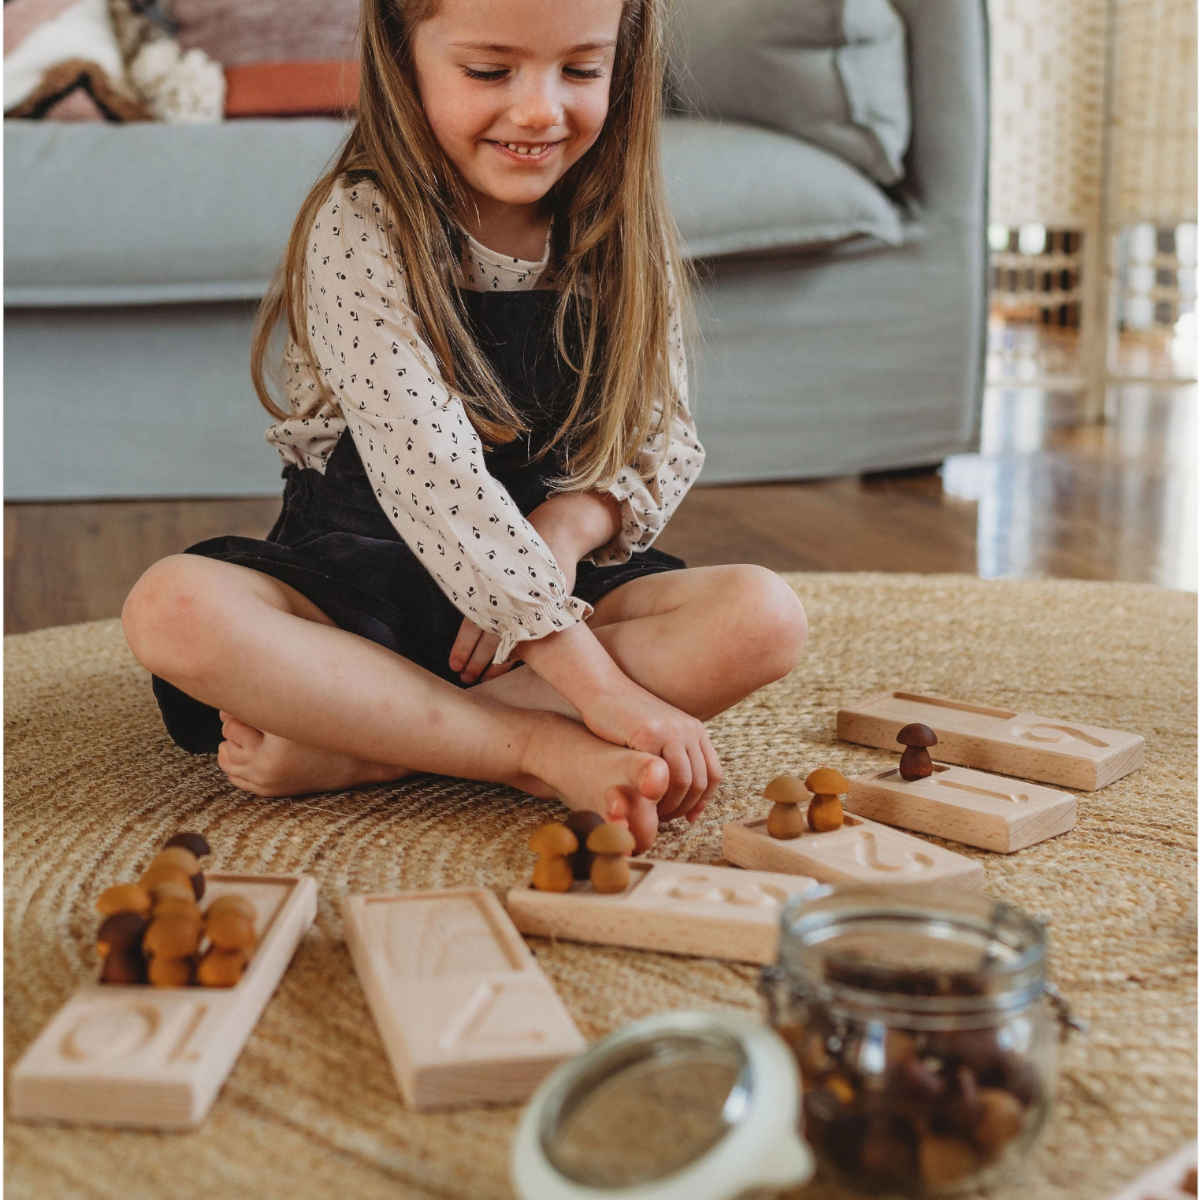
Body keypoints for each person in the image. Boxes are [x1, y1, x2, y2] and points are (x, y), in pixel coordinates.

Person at [121, 0, 808, 851]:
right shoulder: (358, 225)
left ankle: (373, 746)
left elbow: (659, 435)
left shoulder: (621, 227)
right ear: (402, 55)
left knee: (764, 617)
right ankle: (522, 743)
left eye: (583, 70)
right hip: (359, 586)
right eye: (490, 71)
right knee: (174, 609)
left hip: (552, 592)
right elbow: (430, 476)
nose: (539, 110)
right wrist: (600, 695)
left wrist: (565, 527)